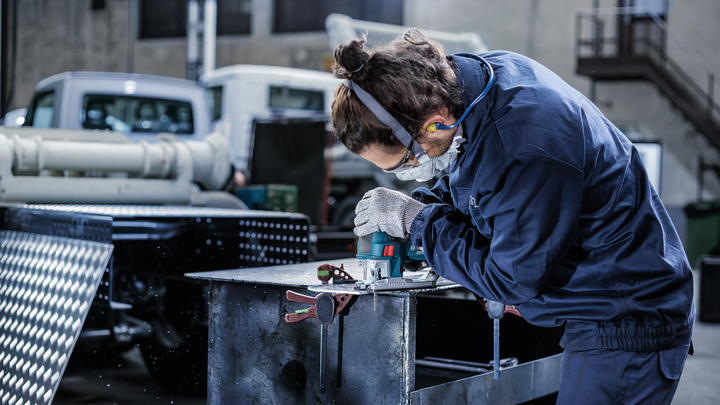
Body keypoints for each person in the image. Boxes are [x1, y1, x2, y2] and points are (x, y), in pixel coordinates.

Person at [330, 30, 694, 405]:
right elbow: (477, 180)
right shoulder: (475, 87)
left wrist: (418, 222)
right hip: (599, 299)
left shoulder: (525, 144)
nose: (407, 173)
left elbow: (511, 278)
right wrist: (422, 210)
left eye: (406, 161)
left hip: (626, 318)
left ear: (435, 121)